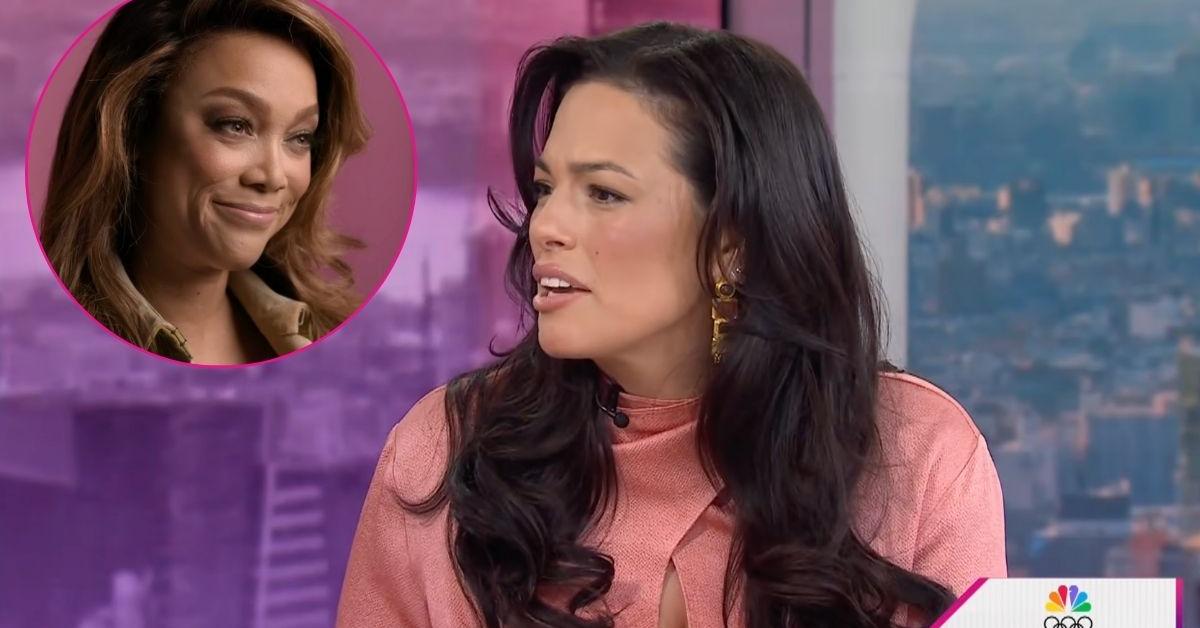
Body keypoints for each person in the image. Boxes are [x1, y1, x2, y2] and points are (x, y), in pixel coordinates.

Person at [338, 22, 1006, 628]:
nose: (546, 226)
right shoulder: (442, 455)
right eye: (545, 189)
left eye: (604, 193)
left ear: (731, 243)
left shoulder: (920, 457)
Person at [39, 0, 369, 365]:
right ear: (133, 129)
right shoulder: (49, 354)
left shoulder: (340, 340)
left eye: (300, 137)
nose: (274, 177)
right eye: (235, 125)